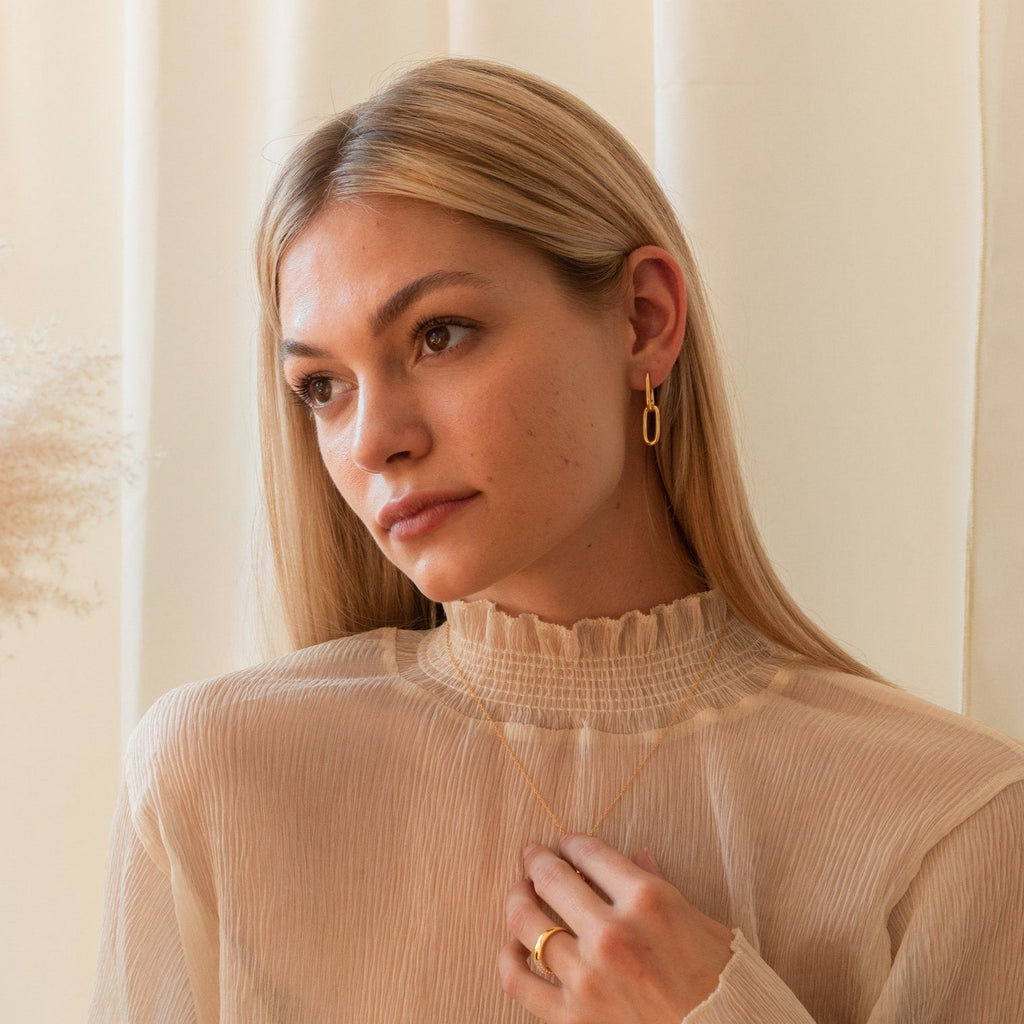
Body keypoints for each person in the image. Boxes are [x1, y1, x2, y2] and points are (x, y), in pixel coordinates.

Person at [90, 57, 1024, 1022]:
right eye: (322, 386)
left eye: (438, 334)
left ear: (644, 320)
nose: (373, 439)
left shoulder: (956, 822)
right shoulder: (216, 777)